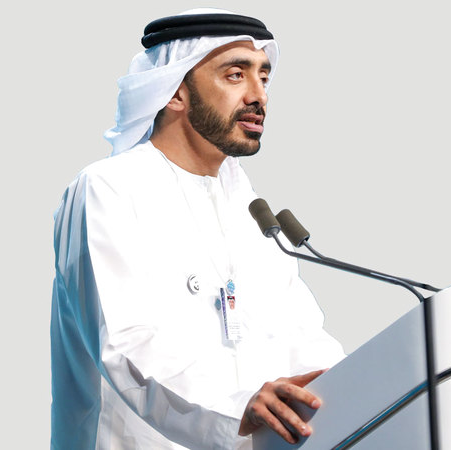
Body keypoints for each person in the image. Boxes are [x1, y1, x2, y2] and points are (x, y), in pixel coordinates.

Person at [50, 8, 345, 449]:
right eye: (235, 75)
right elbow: (126, 344)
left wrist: (353, 388)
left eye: (264, 77)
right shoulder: (109, 188)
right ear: (174, 92)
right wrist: (239, 407)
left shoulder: (249, 207)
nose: (258, 95)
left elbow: (300, 336)